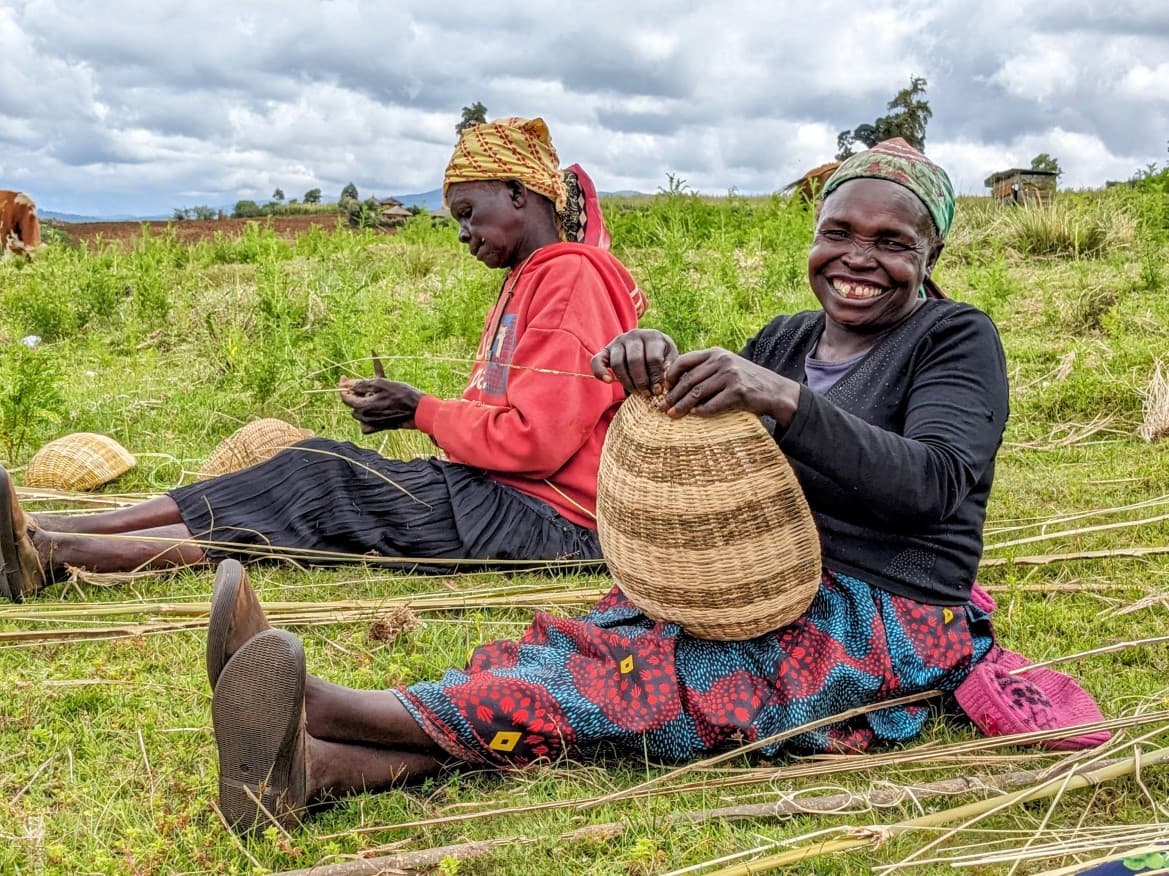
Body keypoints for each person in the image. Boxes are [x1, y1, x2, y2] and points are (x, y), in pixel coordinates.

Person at [202, 138, 1012, 834]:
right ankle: (321, 768)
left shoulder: (952, 337)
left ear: (928, 254)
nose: (857, 258)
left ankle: (325, 705)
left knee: (634, 685)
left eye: (891, 241)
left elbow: (932, 485)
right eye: (837, 232)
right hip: (747, 583)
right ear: (812, 237)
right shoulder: (788, 337)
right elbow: (724, 448)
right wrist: (654, 368)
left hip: (887, 612)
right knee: (589, 646)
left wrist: (779, 397)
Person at [0, 118, 647, 602]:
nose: (462, 235)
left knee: (320, 492)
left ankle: (61, 553)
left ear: (517, 193)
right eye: (455, 220)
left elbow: (534, 441)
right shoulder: (533, 276)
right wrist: (416, 411)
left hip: (547, 522)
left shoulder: (573, 277)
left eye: (468, 214)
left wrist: (420, 410)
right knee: (310, 464)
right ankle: (58, 526)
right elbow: (506, 421)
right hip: (506, 499)